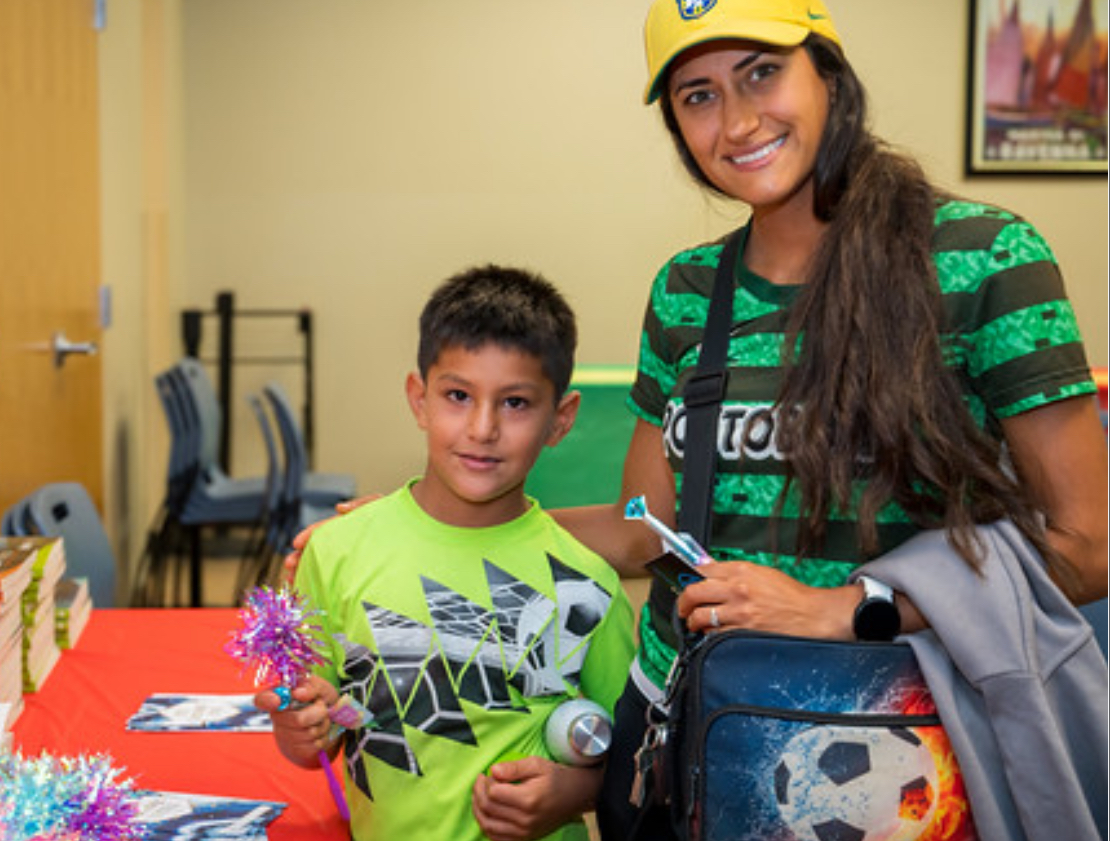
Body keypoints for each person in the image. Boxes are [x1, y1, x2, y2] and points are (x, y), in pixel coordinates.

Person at [535, 1, 1108, 839]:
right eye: (697, 95)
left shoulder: (983, 258)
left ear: (829, 77)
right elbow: (644, 532)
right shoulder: (689, 290)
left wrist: (852, 604)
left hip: (888, 759)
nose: (735, 121)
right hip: (682, 735)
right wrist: (420, 522)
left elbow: (1088, 548)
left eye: (762, 73)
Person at [255, 265, 636, 841]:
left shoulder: (589, 586)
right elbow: (317, 736)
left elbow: (634, 764)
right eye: (458, 396)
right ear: (419, 399)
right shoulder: (336, 550)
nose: (482, 429)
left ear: (561, 419)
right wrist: (298, 731)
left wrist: (572, 793)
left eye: (515, 404)